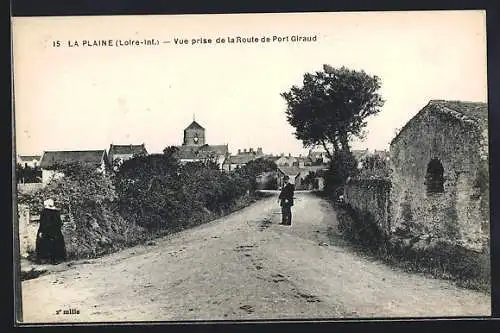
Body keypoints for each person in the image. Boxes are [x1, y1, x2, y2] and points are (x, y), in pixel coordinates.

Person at [36, 199, 66, 264]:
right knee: (56, 245)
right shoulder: (56, 212)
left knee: (45, 244)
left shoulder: (44, 212)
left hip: (46, 231)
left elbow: (43, 223)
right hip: (55, 232)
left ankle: (44, 259)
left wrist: (41, 231)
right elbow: (60, 223)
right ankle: (56, 259)